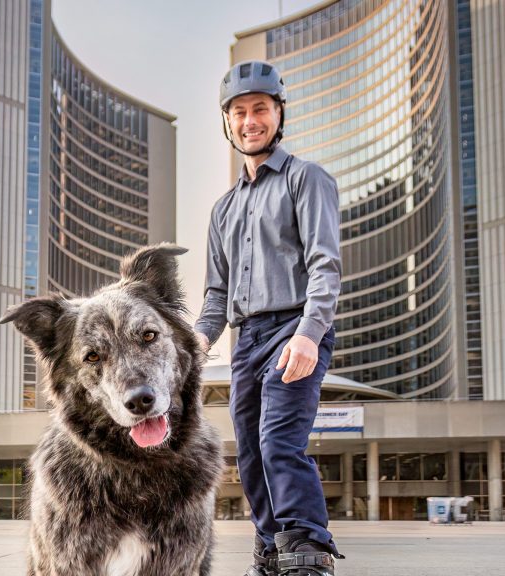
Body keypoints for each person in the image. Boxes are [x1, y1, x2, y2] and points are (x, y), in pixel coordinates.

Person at [194, 60, 343, 576]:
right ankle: (271, 549)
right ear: (228, 122)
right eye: (239, 111)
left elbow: (325, 264)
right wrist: (193, 346)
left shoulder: (307, 179)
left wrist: (309, 333)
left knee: (280, 441)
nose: (249, 119)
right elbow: (216, 293)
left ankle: (306, 550)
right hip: (246, 339)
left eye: (260, 108)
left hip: (295, 329)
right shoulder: (222, 209)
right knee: (252, 455)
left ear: (279, 114)